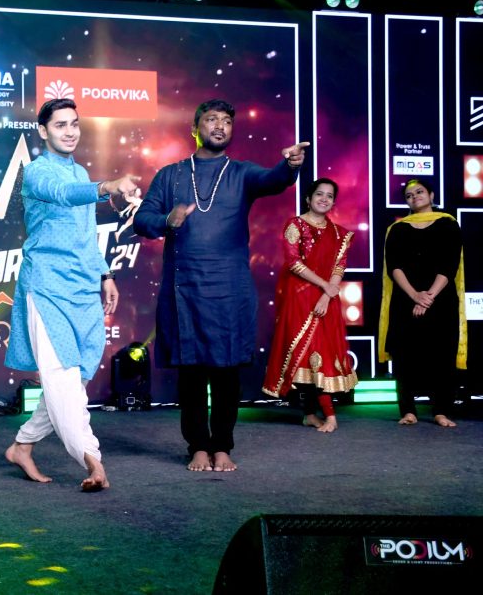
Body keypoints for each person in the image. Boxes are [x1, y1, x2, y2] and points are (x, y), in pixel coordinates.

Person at [133, 99, 307, 472]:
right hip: (185, 290)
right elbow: (142, 220)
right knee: (192, 374)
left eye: (227, 121)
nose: (220, 126)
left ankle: (223, 446)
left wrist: (290, 166)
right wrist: (167, 219)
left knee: (227, 374)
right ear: (195, 128)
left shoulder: (241, 172)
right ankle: (198, 446)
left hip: (229, 290)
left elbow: (273, 179)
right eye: (212, 119)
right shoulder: (171, 175)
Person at [4, 98, 140, 492]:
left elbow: (84, 234)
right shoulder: (37, 172)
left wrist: (105, 273)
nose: (69, 131)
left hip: (81, 287)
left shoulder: (79, 171)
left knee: (72, 380)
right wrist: (107, 187)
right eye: (60, 124)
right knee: (62, 378)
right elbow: (64, 194)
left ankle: (22, 446)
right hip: (46, 286)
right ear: (43, 131)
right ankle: (92, 460)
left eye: (74, 124)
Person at [262, 178, 357, 432]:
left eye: (329, 196)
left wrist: (327, 294)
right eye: (319, 194)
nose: (324, 199)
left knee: (322, 354)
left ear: (333, 202)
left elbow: (339, 266)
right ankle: (324, 415)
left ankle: (315, 414)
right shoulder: (295, 225)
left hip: (326, 299)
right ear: (308, 198)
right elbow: (293, 262)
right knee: (306, 355)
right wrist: (325, 286)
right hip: (300, 298)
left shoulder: (338, 234)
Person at [379, 179, 466, 427]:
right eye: (409, 195)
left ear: (431, 195)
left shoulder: (448, 224)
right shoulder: (397, 229)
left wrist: (427, 297)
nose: (414, 196)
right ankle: (408, 410)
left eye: (419, 192)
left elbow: (449, 264)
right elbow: (394, 267)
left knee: (442, 354)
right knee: (404, 355)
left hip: (441, 298)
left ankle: (441, 411)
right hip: (405, 298)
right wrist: (414, 295)